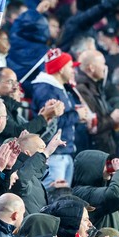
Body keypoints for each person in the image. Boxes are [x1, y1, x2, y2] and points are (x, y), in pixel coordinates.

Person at [31, 48, 85, 187]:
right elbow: (51, 121)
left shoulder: (59, 87)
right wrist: (76, 115)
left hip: (64, 152)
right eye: (70, 66)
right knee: (53, 197)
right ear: (60, 69)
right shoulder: (46, 89)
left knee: (63, 196)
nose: (73, 70)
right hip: (54, 154)